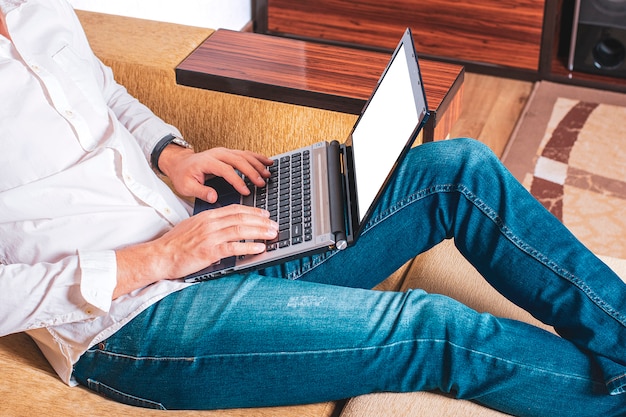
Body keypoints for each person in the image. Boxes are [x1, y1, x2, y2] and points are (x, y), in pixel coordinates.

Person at [1, 1, 625, 416]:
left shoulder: (31, 10)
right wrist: (154, 258)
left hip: (205, 236)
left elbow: (104, 90)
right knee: (433, 327)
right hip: (129, 322)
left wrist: (170, 154)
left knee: (457, 167)